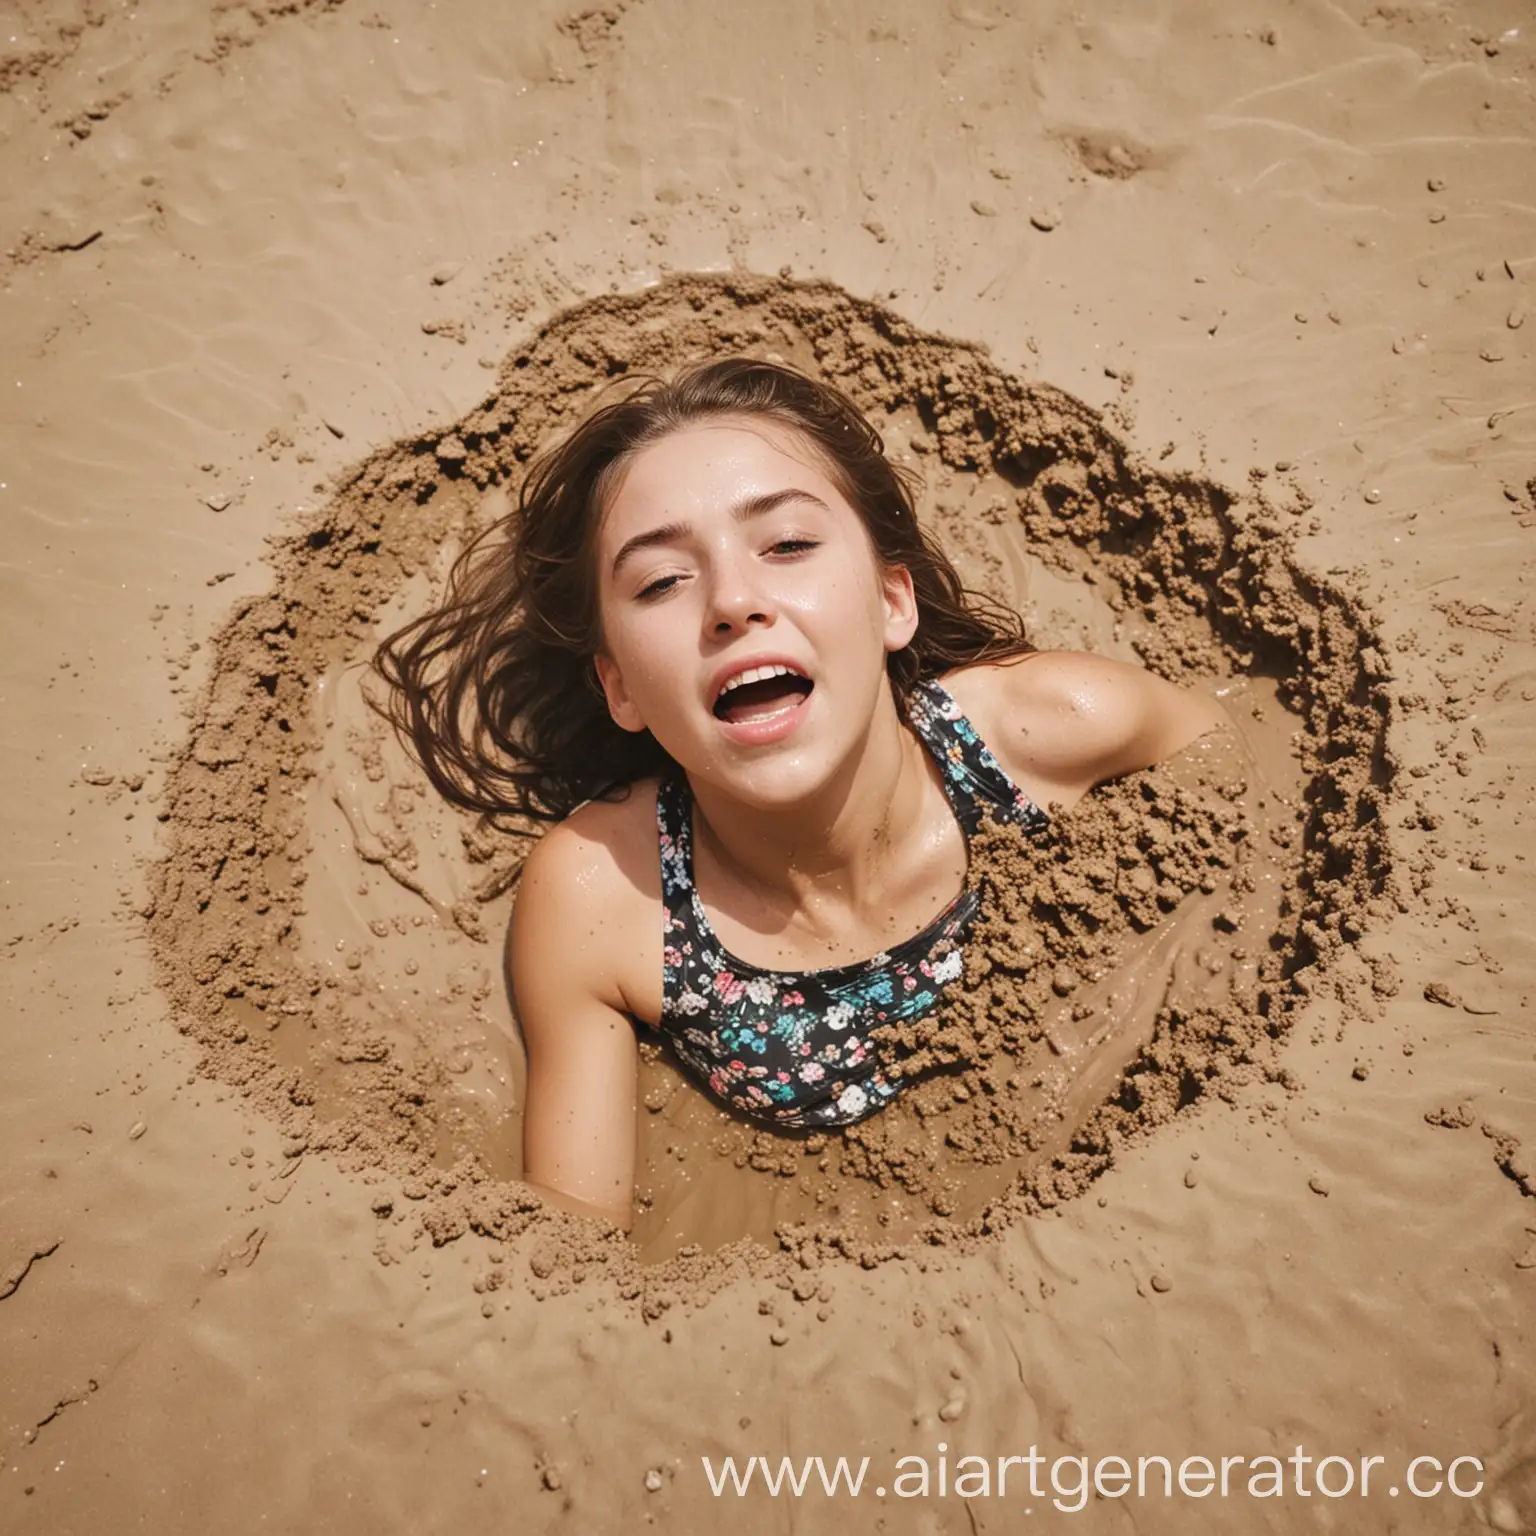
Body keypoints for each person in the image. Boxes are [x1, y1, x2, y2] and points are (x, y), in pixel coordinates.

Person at [372, 358, 1228, 1231]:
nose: (733, 601)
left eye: (787, 544)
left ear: (893, 602)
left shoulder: (1058, 730)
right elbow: (572, 1269)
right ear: (620, 685)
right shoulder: (602, 903)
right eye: (663, 581)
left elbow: (1264, 828)